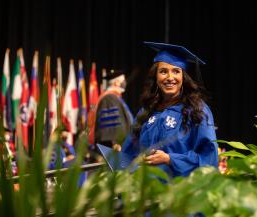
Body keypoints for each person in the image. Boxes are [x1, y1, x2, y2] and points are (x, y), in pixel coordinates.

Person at [121, 41, 218, 178]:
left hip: (178, 193)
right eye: (163, 72)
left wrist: (169, 159)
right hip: (144, 192)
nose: (170, 77)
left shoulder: (197, 110)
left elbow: (208, 158)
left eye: (176, 71)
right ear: (156, 77)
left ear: (183, 78)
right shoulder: (146, 110)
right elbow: (129, 153)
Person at [88, 69, 134, 162]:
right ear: (117, 83)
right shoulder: (109, 98)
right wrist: (115, 142)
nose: (125, 83)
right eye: (123, 81)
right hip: (114, 150)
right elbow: (111, 124)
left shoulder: (116, 97)